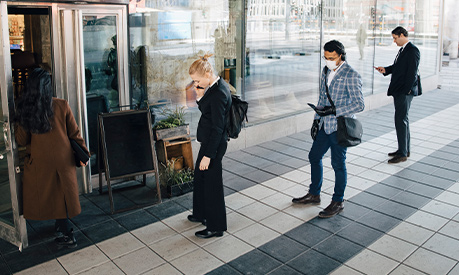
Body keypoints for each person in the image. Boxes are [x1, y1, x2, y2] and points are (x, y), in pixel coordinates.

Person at [14, 68, 89, 248]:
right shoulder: (61, 104)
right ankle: (64, 229)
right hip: (63, 161)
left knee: (49, 194)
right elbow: (74, 133)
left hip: (40, 162)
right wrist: (84, 153)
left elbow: (21, 140)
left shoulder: (27, 109)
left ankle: (67, 234)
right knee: (61, 194)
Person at [292, 40, 364, 218]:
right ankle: (314, 194)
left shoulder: (351, 75)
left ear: (340, 55)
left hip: (340, 127)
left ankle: (338, 201)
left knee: (338, 164)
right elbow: (322, 98)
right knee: (314, 156)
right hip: (325, 125)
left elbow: (359, 104)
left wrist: (336, 111)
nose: (328, 61)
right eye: (325, 57)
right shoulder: (325, 71)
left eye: (331, 58)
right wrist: (316, 120)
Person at [187, 54, 232, 238]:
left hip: (214, 145)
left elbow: (218, 128)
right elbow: (208, 111)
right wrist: (199, 95)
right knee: (200, 177)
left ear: (207, 73)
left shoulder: (219, 92)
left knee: (212, 184)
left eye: (197, 80)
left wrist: (208, 155)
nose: (195, 84)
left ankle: (216, 226)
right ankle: (201, 214)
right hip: (208, 143)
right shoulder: (213, 88)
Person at [375, 26, 420, 164]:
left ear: (402, 35)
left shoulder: (412, 50)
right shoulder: (404, 50)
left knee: (401, 121)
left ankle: (402, 153)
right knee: (402, 120)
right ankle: (404, 149)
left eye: (395, 38)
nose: (394, 41)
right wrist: (386, 70)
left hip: (404, 92)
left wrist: (405, 91)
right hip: (401, 91)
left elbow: (412, 73)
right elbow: (398, 67)